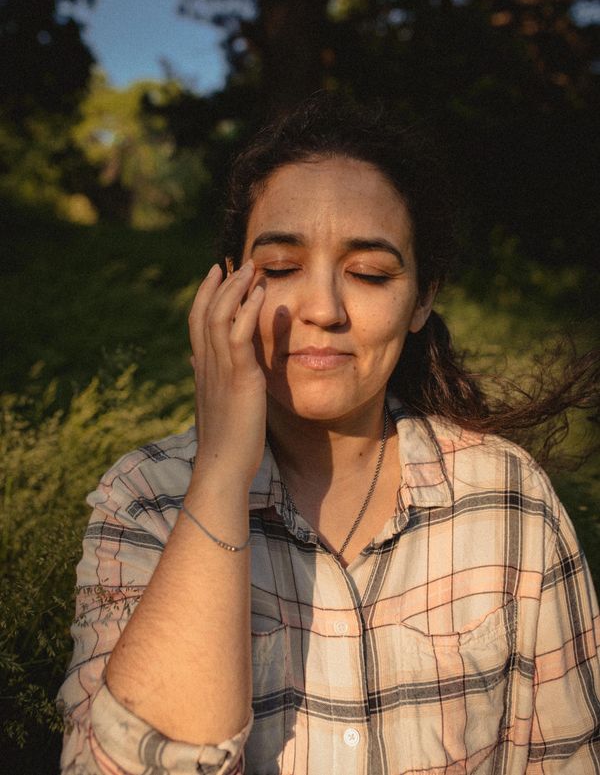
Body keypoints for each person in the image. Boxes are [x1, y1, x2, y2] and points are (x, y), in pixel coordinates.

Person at [58, 93, 600, 774]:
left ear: (421, 300)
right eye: (280, 268)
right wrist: (223, 467)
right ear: (229, 287)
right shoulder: (145, 500)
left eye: (370, 273)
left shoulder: (508, 499)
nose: (322, 309)